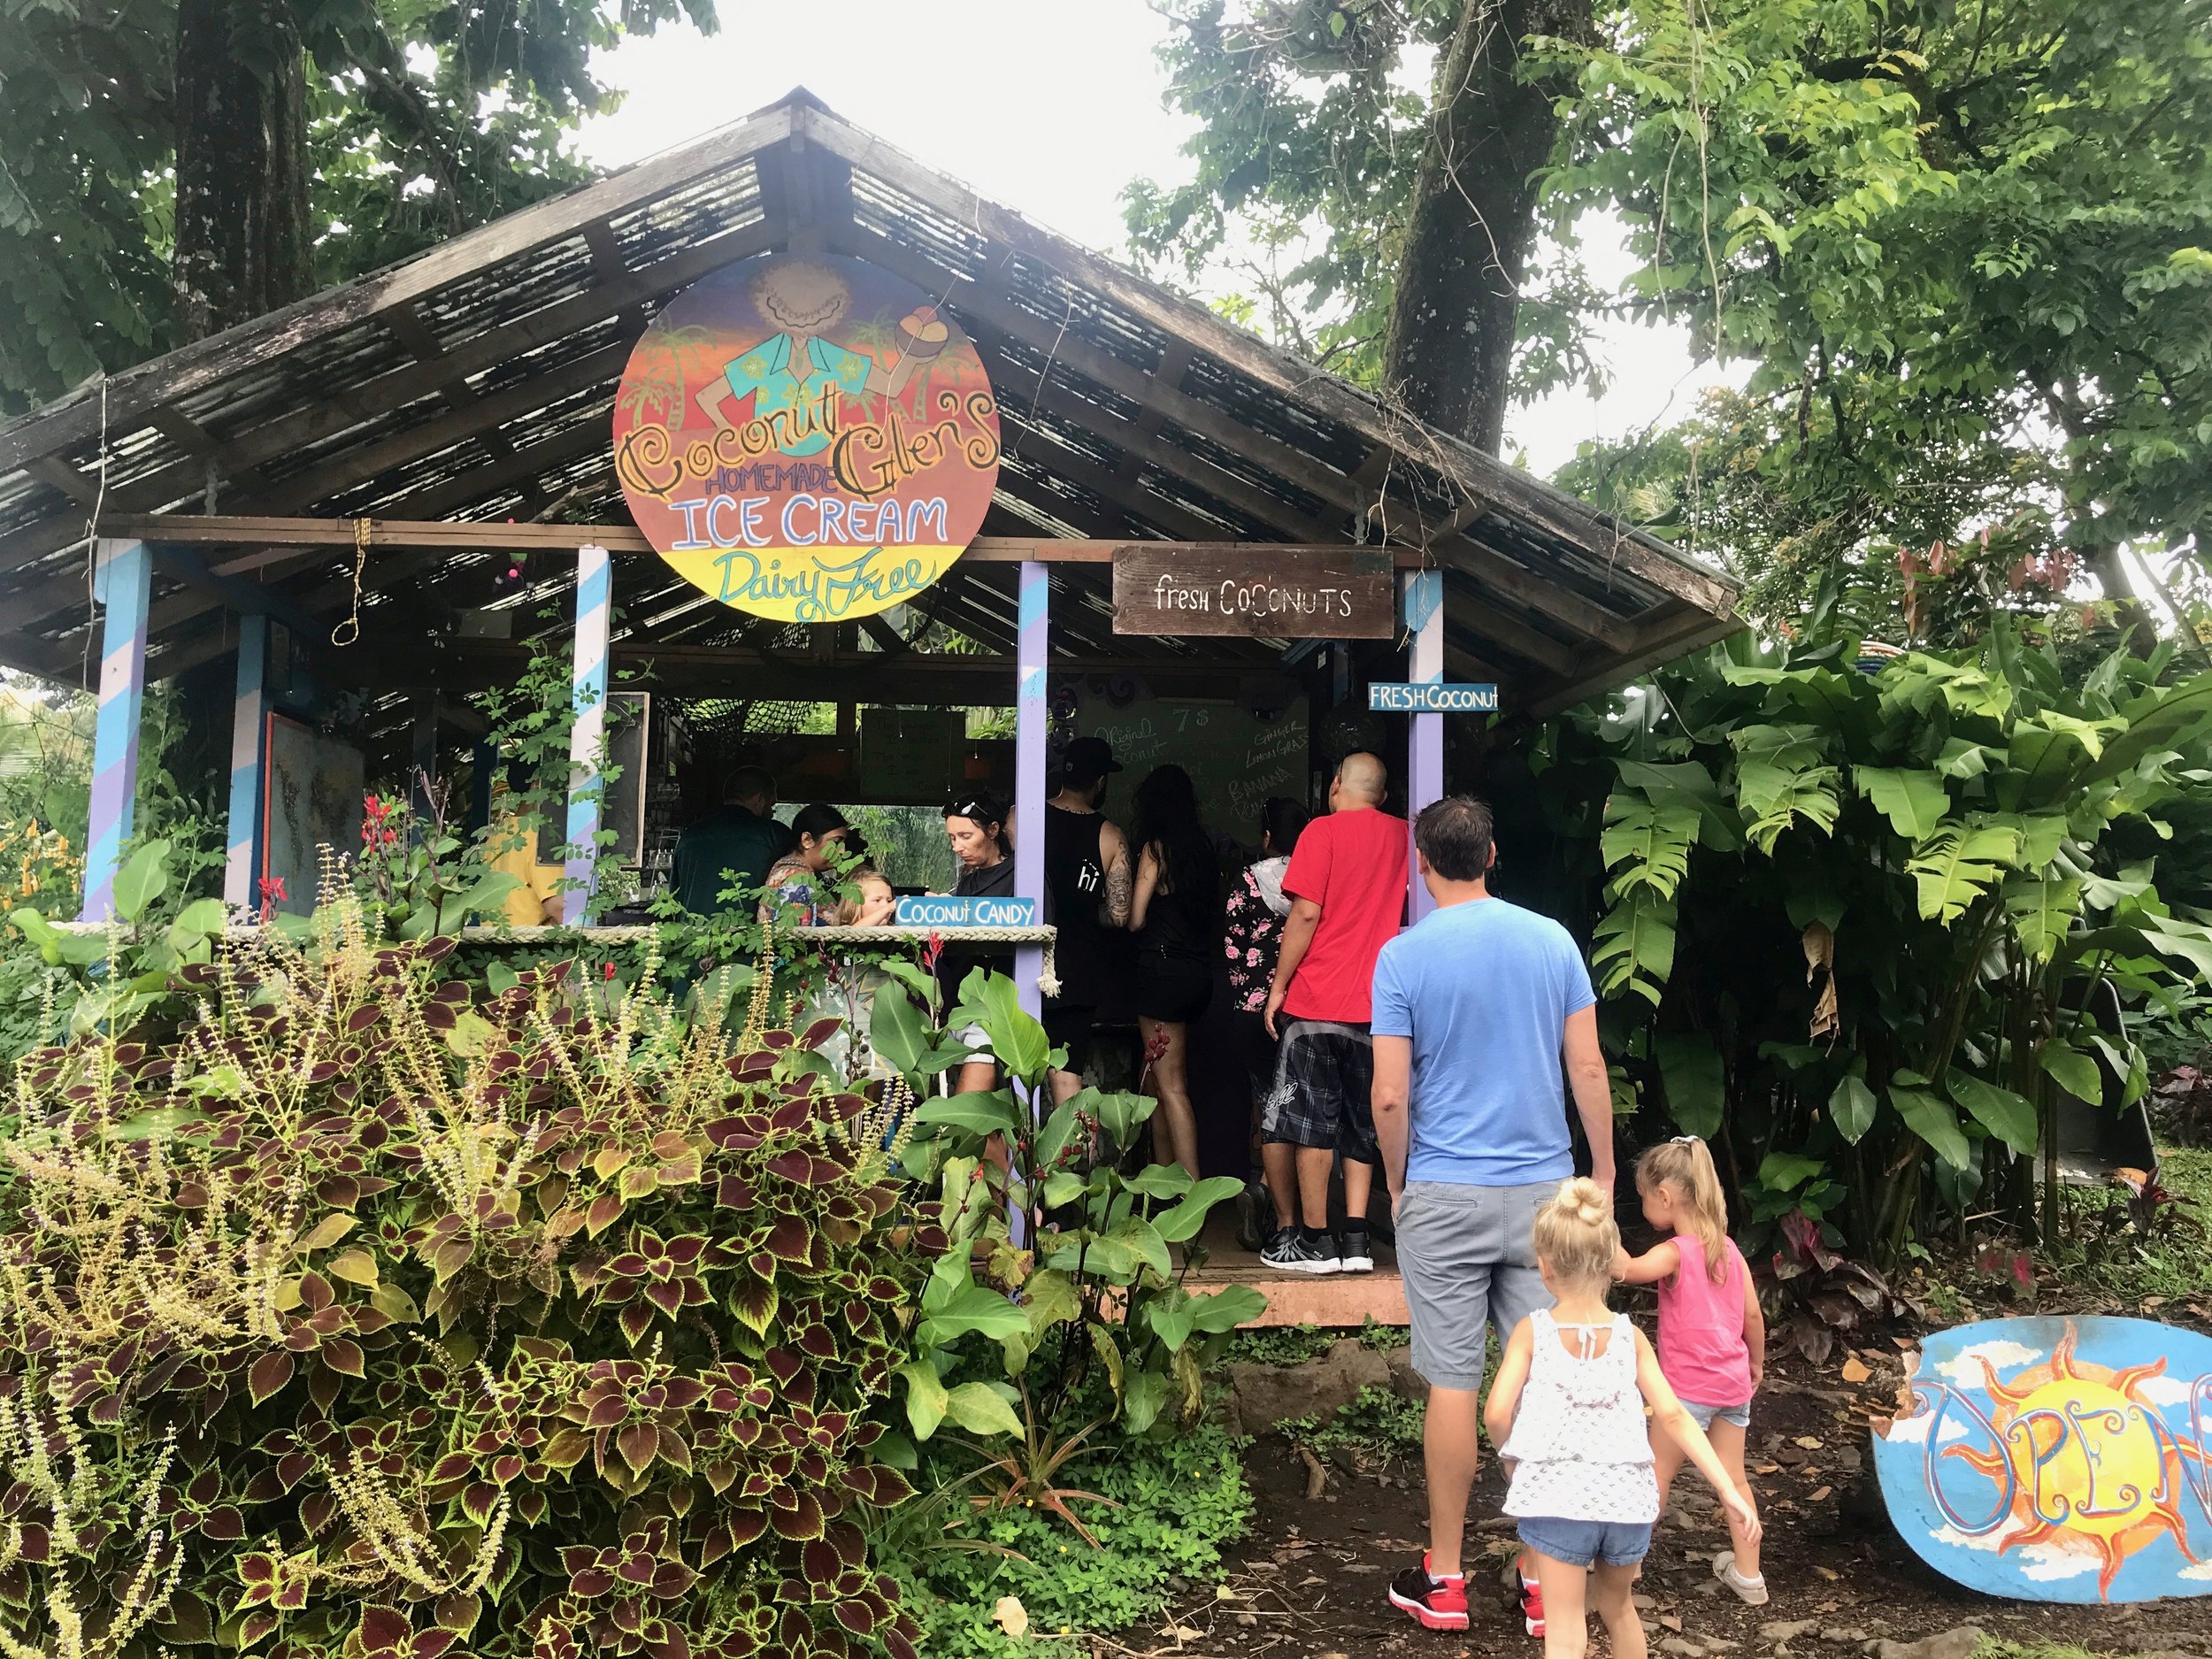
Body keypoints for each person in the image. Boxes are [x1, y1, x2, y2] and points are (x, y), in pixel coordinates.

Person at [1370, 795, 1617, 1640]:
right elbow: (1587, 1066)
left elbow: (1391, 1093)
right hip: (1544, 1194)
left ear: (1422, 863)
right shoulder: (1553, 942)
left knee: (1454, 1382)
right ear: (1492, 853)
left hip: (1443, 1191)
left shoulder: (1402, 956)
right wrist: (1602, 1170)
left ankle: (1444, 1578)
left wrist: (1398, 1182)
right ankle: (1546, 1579)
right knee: (1543, 1381)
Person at [1405, 1179, 1758, 1654]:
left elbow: (1496, 1412)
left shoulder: (1533, 1332)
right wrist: (1726, 1490)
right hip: (1628, 1505)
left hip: (1559, 1503)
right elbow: (1675, 1416)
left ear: (1544, 1266)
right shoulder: (1631, 1337)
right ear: (1609, 1263)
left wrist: (1513, 1459)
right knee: (1620, 1609)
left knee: (1566, 1624)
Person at [1257, 751, 1407, 1274]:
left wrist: (1278, 986)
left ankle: (1316, 1241)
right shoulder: (1404, 836)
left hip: (1317, 1001)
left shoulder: (1320, 832)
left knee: (1310, 1123)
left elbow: (1305, 913)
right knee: (1360, 1123)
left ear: (1336, 783)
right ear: (1382, 795)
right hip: (1378, 1007)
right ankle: (1358, 1240)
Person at [1617, 1136, 1768, 1606]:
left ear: (1664, 1197)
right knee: (1734, 1479)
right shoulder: (1729, 1250)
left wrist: (1598, 1227)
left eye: (1644, 1196)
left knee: (1656, 1475)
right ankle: (1749, 1576)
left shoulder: (1675, 1252)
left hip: (1685, 1392)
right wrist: (1756, 1364)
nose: (1643, 1205)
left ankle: (1629, 1567)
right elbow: (1753, 1316)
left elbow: (1627, 1270)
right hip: (1732, 1386)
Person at [1223, 796, 1310, 1248]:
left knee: (1270, 1101)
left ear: (1268, 836)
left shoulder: (1247, 880)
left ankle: (1265, 1193)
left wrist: (1247, 993)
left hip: (1254, 1013)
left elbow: (1233, 946)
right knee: (1302, 1108)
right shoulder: (1316, 879)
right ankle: (1292, 1215)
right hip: (1303, 1010)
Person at [1126, 764, 1218, 1178]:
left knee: (1171, 1086)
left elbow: (1135, 919)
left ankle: (1192, 1194)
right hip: (1196, 972)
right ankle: (1163, 1182)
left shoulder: (1156, 850)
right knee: (1155, 1084)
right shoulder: (1202, 850)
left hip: (1161, 970)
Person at [1043, 736, 1131, 1102]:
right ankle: (1068, 1143)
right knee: (1067, 1077)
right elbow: (1119, 915)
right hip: (1077, 967)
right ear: (1101, 782)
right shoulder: (1111, 836)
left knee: (1014, 1069)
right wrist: (1082, 908)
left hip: (1024, 957)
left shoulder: (1022, 817)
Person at [942, 791, 1015, 1094]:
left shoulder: (1022, 876)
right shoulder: (968, 882)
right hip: (957, 1007)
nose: (957, 847)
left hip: (992, 1010)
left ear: (994, 830)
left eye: (965, 836)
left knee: (967, 1107)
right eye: (952, 838)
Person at [672, 765, 794, 916]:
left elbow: (674, 900)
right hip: (751, 930)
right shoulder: (775, 835)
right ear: (759, 799)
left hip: (691, 929)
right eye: (771, 805)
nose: (771, 813)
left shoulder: (689, 837)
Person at [759, 803, 850, 925]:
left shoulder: (794, 872)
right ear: (807, 840)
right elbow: (796, 934)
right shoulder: (796, 883)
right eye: (836, 842)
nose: (842, 851)